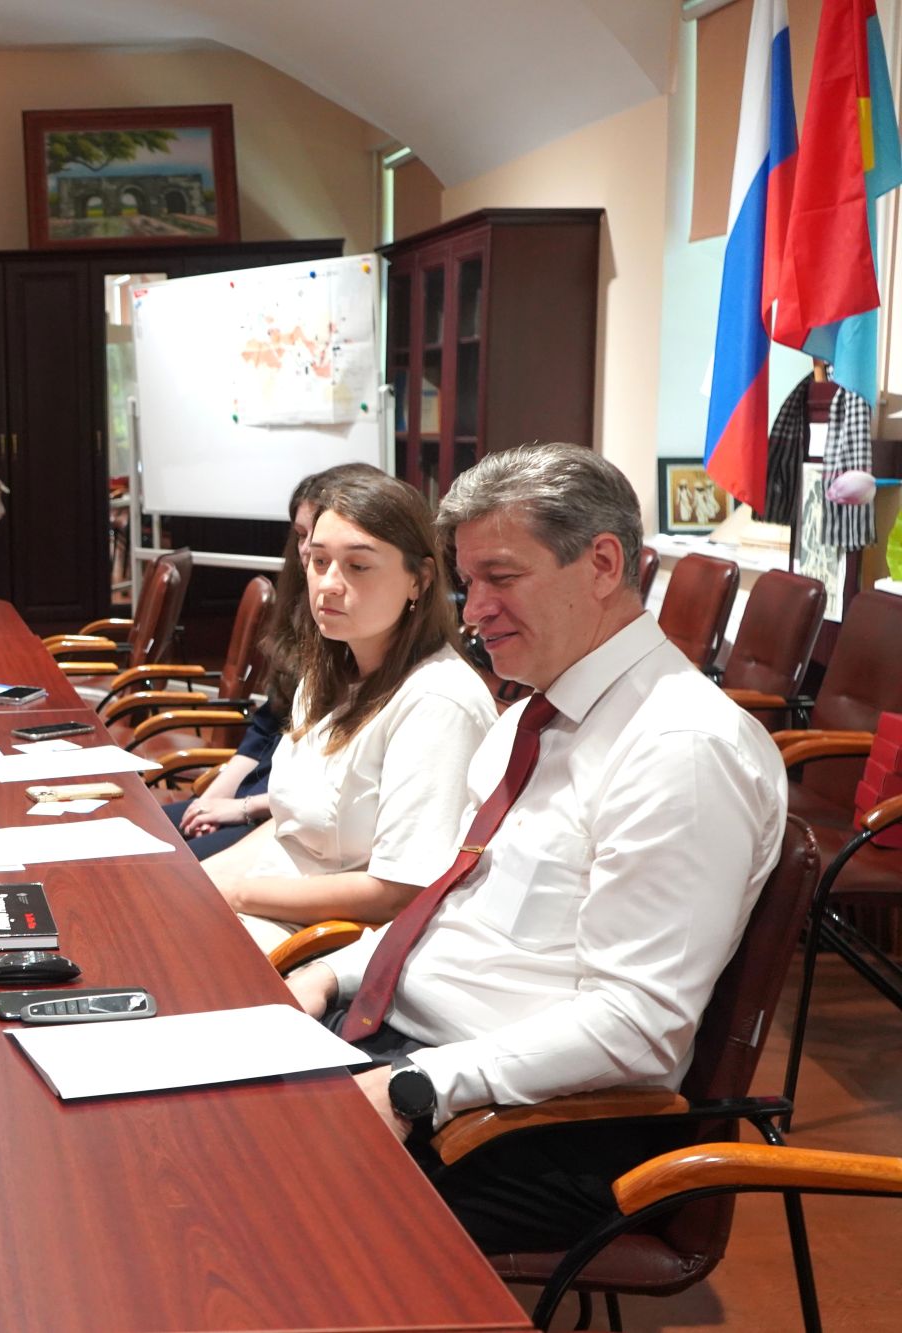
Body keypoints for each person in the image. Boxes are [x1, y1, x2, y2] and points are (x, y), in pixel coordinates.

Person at [282, 443, 786, 1254]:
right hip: (412, 1052)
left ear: (603, 563)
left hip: (529, 1121)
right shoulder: (530, 715)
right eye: (467, 580)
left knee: (234, 1192)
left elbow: (638, 1026)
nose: (473, 609)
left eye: (501, 577)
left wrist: (418, 1085)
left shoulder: (681, 748)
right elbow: (453, 908)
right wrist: (332, 974)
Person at [203, 469, 497, 951]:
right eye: (319, 561)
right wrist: (198, 879)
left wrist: (234, 892)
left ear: (419, 580)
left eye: (358, 566)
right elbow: (291, 830)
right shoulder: (326, 674)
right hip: (271, 898)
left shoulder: (437, 702)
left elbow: (399, 892)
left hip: (332, 939)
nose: (329, 585)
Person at [163, 463, 383, 859]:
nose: (307, 549)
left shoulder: (366, 645)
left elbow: (329, 789)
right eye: (302, 537)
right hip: (264, 792)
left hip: (289, 817)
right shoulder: (308, 618)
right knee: (143, 833)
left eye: (354, 563)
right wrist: (214, 799)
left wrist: (243, 807)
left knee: (169, 870)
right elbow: (269, 721)